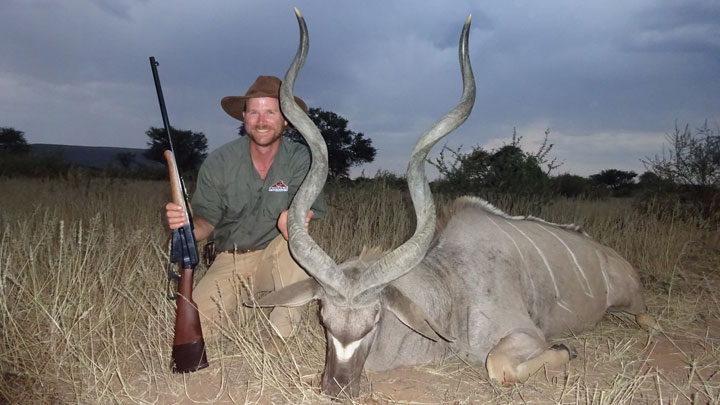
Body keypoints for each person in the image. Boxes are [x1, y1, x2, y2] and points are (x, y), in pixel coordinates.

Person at [165, 75, 327, 338]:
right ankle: (245, 307)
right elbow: (205, 224)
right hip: (231, 258)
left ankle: (281, 333)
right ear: (244, 117)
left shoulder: (301, 158)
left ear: (285, 119)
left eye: (270, 112)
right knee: (197, 332)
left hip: (278, 254)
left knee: (296, 242)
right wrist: (185, 225)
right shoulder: (219, 161)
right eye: (254, 112)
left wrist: (296, 220)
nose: (261, 121)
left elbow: (304, 211)